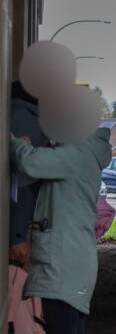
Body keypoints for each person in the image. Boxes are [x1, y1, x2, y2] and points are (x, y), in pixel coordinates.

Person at [9, 126, 113, 334]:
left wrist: (11, 140)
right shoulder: (81, 152)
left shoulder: (77, 151)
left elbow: (32, 164)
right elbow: (41, 168)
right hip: (69, 262)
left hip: (65, 264)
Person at [9, 81, 49, 267]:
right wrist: (18, 236)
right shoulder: (25, 119)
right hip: (21, 225)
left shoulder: (20, 112)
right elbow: (22, 180)